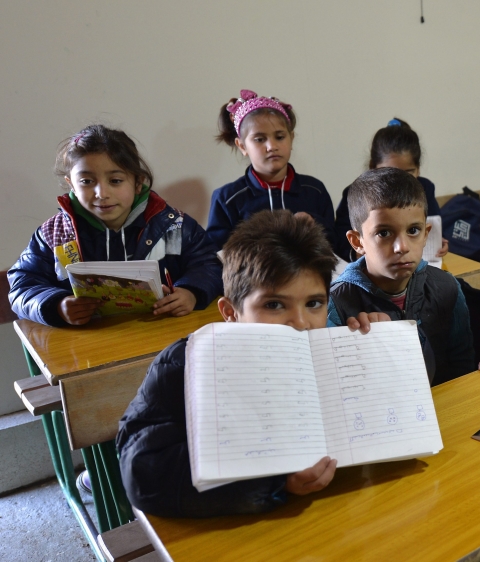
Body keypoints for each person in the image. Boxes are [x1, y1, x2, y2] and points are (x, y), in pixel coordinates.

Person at [117, 211, 386, 518]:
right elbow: (143, 474)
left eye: (314, 303)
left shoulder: (331, 352)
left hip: (333, 513)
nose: (301, 323)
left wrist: (376, 352)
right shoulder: (186, 364)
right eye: (274, 304)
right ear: (230, 312)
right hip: (239, 526)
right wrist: (276, 481)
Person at [8, 124, 222, 327]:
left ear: (138, 182)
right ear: (71, 183)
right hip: (88, 343)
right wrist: (57, 305)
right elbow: (22, 285)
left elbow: (209, 264)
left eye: (115, 181)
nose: (102, 193)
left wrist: (191, 292)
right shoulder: (54, 235)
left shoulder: (174, 226)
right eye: (87, 181)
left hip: (162, 334)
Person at [328, 167, 475, 384]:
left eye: (413, 230)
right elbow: (336, 384)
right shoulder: (337, 304)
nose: (402, 247)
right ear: (357, 242)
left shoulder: (447, 287)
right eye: (384, 233)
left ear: (426, 234)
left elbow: (463, 367)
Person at [206, 89, 340, 253]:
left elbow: (334, 243)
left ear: (291, 138)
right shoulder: (227, 198)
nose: (272, 146)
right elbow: (217, 254)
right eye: (260, 139)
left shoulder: (314, 190)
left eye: (280, 137)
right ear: (242, 146)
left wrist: (313, 222)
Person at [333, 119, 446, 260]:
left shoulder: (425, 188)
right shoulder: (356, 194)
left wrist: (439, 241)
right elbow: (340, 242)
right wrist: (360, 253)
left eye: (408, 172)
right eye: (389, 172)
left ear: (418, 169)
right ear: (373, 166)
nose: (399, 181)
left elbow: (434, 227)